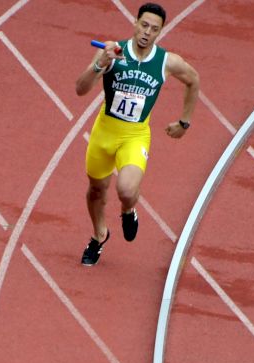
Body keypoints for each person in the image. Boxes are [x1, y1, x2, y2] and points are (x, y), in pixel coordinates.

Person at [74, 3, 200, 266]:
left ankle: (128, 210)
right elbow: (80, 89)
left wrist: (184, 122)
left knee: (127, 189)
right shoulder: (114, 51)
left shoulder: (167, 62)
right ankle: (99, 236)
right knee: (96, 190)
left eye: (154, 29)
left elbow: (193, 80)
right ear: (135, 23)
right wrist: (100, 65)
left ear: (160, 32)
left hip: (135, 135)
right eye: (144, 25)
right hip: (104, 132)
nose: (147, 32)